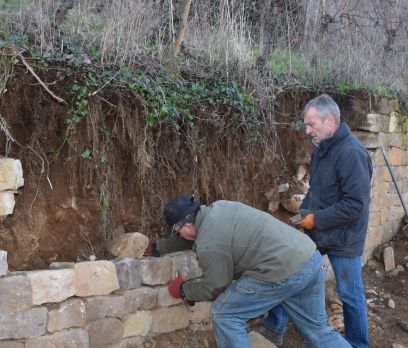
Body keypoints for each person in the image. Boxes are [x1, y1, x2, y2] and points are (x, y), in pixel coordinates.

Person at [156, 194, 351, 348]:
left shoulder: (209, 242)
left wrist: (184, 290)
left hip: (282, 272)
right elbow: (192, 237)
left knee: (225, 314)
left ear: (187, 225)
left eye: (176, 231)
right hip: (310, 259)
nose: (177, 235)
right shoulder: (219, 208)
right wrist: (157, 248)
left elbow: (215, 288)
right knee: (317, 331)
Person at [255, 94, 373, 347]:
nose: (307, 131)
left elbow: (356, 204)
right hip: (318, 232)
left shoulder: (352, 153)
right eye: (306, 125)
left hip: (345, 237)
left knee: (350, 296)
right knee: (290, 274)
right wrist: (303, 214)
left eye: (311, 125)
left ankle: (358, 344)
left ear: (329, 120)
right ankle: (274, 327)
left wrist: (315, 219)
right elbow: (316, 191)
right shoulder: (323, 150)